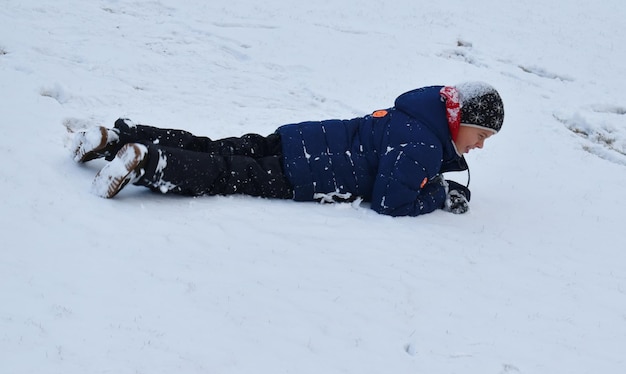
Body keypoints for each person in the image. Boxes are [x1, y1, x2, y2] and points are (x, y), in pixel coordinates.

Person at [71, 82, 504, 217]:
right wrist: (439, 194)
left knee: (217, 148)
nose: (479, 147)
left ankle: (122, 137)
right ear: (459, 121)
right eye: (480, 136)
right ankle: (149, 163)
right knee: (224, 172)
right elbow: (393, 202)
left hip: (300, 139)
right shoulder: (425, 144)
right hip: (311, 172)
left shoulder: (416, 115)